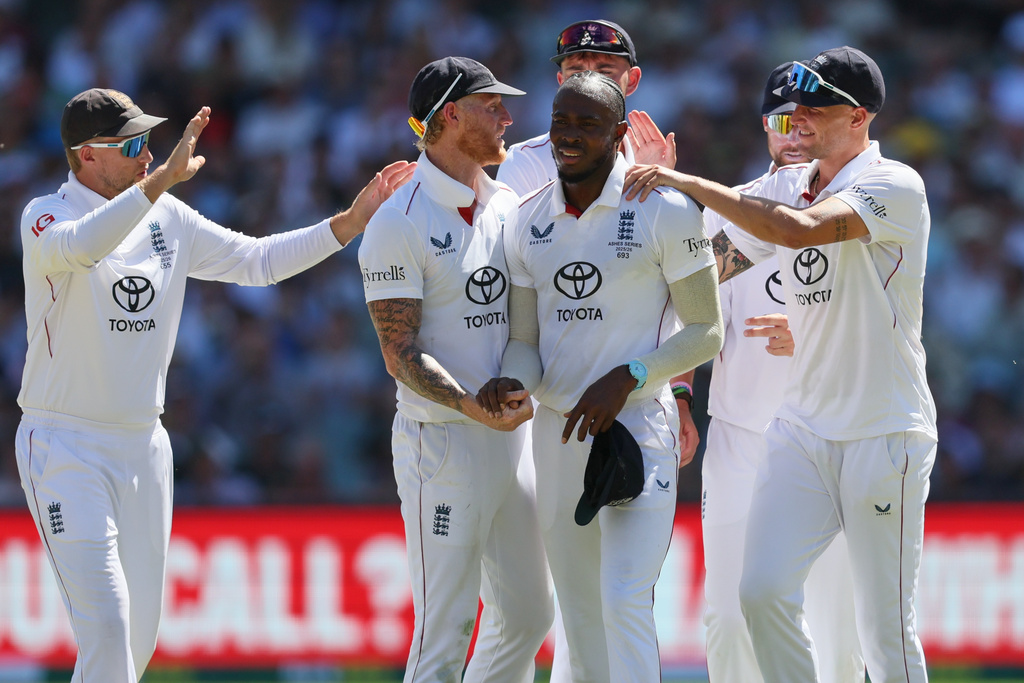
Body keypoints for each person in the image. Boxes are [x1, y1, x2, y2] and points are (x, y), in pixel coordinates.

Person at [16, 88, 414, 683]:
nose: (149, 154)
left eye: (148, 140)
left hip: (142, 446)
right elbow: (80, 249)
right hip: (65, 446)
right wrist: (156, 187)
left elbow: (257, 261)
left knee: (139, 641)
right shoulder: (46, 216)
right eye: (132, 145)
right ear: (86, 157)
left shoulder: (166, 217)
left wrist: (350, 223)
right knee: (107, 628)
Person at [625, 46, 936, 683]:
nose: (800, 121)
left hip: (883, 430)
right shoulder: (785, 186)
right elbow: (700, 279)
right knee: (757, 595)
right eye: (794, 110)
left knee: (881, 634)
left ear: (860, 116)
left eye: (817, 109)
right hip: (801, 432)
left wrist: (685, 182)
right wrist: (655, 206)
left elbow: (799, 231)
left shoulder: (895, 184)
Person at [479, 71, 723, 683]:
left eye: (589, 124)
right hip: (560, 435)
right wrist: (513, 383)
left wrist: (631, 375)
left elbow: (706, 331)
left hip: (640, 426)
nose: (570, 135)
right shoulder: (525, 222)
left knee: (623, 598)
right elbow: (527, 343)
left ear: (619, 135)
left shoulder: (667, 210)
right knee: (581, 616)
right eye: (562, 121)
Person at [357, 56, 552, 683]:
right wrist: (471, 406)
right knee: (443, 636)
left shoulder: (507, 205)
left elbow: (525, 326)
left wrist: (511, 393)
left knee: (527, 615)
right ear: (447, 118)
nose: (507, 117)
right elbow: (398, 351)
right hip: (440, 445)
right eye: (491, 105)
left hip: (509, 439)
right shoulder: (398, 221)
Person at [698, 62, 864, 683]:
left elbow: (893, 320)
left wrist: (814, 335)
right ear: (765, 128)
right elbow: (685, 308)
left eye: (808, 119)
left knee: (835, 622)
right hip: (740, 433)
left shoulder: (860, 208)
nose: (795, 133)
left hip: (830, 431)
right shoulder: (729, 210)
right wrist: (683, 396)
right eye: (781, 120)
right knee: (728, 616)